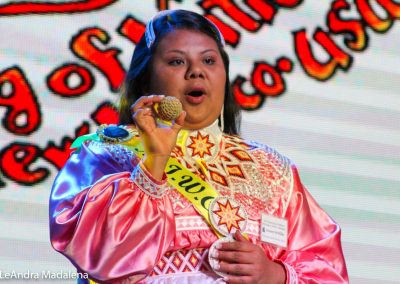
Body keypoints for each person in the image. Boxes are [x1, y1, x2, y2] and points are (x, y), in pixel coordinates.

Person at [49, 9, 348, 284]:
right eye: (177, 61)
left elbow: (326, 267)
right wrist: (154, 163)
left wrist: (276, 275)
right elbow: (103, 257)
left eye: (209, 60)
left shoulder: (272, 169)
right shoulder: (107, 153)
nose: (196, 71)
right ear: (145, 78)